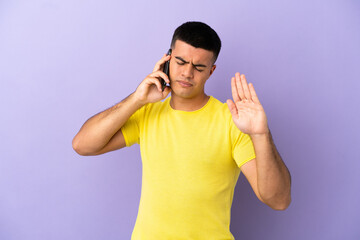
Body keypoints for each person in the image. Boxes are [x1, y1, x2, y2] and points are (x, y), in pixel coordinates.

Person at [72, 21, 291, 239]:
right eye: (180, 62)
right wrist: (136, 99)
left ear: (211, 72)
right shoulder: (147, 113)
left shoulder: (232, 121)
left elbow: (278, 200)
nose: (187, 73)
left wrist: (261, 134)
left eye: (199, 67)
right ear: (167, 59)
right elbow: (82, 145)